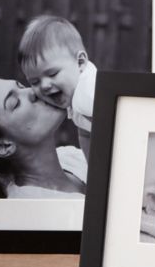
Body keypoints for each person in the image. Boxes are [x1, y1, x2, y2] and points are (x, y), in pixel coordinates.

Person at [0, 77, 87, 199]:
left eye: (22, 86)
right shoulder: (29, 207)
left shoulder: (70, 156)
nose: (32, 91)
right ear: (3, 146)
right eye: (16, 103)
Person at [18, 15, 97, 161]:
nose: (44, 86)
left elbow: (116, 124)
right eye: (35, 82)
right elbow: (85, 133)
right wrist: (93, 166)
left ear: (80, 63)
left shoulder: (87, 93)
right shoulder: (75, 97)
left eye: (52, 74)